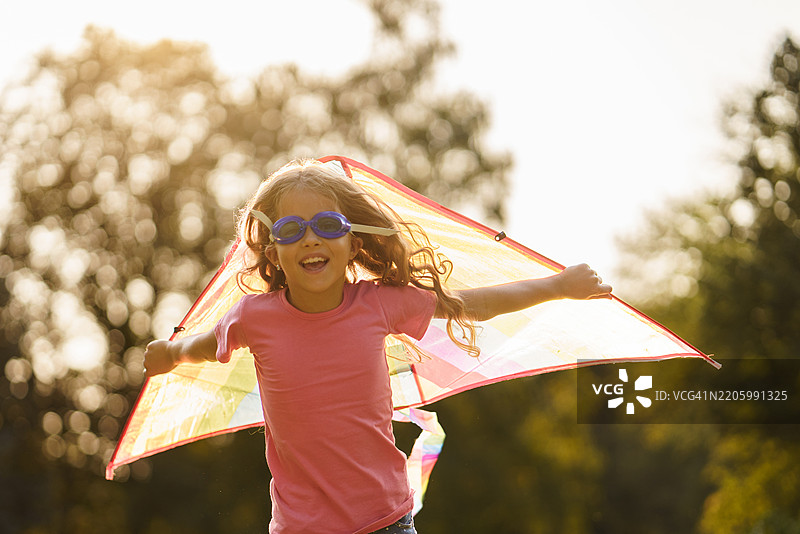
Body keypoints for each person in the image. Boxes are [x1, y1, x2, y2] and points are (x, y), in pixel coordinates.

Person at [143, 159, 612, 534]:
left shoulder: (378, 305)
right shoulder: (254, 318)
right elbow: (204, 345)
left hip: (386, 521)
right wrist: (170, 354)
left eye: (327, 225)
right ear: (273, 253)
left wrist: (557, 286)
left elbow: (473, 304)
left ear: (352, 241)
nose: (311, 239)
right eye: (291, 230)